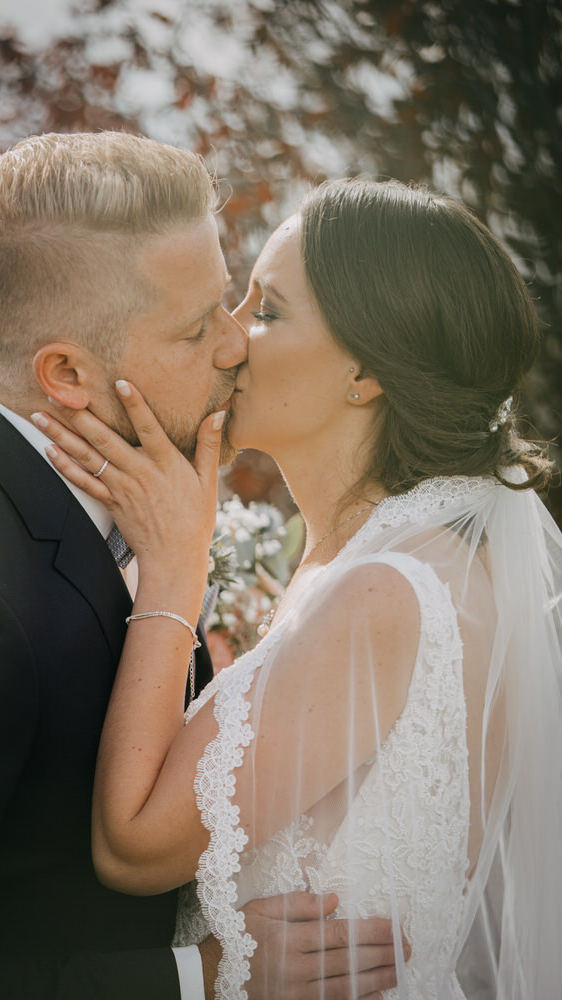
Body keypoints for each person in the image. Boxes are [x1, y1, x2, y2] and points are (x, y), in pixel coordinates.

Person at [0, 133, 401, 1000]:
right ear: (67, 374)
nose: (235, 343)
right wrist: (197, 977)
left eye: (230, 305)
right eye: (195, 325)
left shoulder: (131, 494)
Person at [40, 177, 562, 998]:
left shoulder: (383, 593)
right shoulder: (388, 560)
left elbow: (133, 847)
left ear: (366, 370)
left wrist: (175, 566)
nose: (231, 340)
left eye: (267, 311)